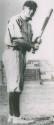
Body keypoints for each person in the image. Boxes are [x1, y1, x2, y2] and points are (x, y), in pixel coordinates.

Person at [2, 0, 41, 124]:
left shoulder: (29, 25)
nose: (32, 12)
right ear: (24, 8)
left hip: (21, 54)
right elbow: (17, 40)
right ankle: (16, 118)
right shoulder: (16, 19)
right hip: (13, 52)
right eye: (29, 9)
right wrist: (31, 46)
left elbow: (30, 44)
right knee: (15, 85)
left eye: (33, 10)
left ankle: (12, 115)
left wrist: (36, 43)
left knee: (17, 85)